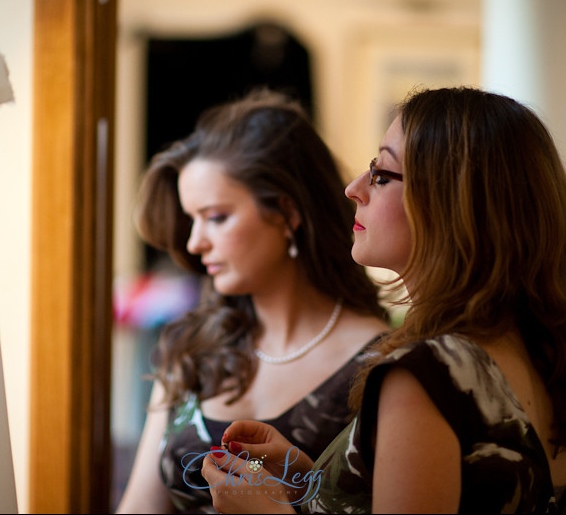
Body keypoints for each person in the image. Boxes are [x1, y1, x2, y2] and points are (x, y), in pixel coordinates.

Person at [200, 86, 566, 514]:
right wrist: (309, 478)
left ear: (452, 201)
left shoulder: (425, 373)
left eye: (381, 175)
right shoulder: (540, 356)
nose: (353, 189)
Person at [115, 89, 390, 514]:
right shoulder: (189, 349)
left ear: (287, 213)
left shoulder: (381, 366)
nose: (194, 242)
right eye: (192, 220)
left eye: (216, 217)